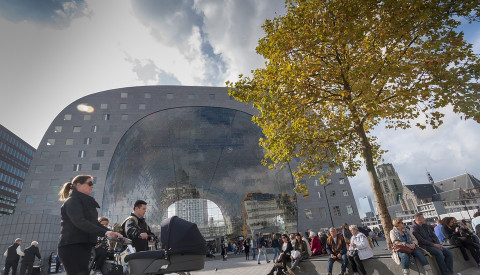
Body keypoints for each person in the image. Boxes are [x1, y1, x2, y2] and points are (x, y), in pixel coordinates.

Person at [58, 175, 122, 275]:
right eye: (90, 183)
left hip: (83, 245)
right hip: (72, 246)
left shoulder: (84, 201)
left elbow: (94, 223)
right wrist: (105, 232)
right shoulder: (72, 201)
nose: (92, 186)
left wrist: (110, 232)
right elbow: (79, 221)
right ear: (78, 185)